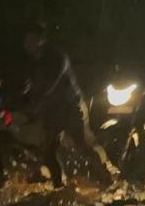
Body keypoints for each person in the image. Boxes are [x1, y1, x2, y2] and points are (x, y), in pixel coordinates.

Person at [21, 23, 115, 187]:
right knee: (48, 151)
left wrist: (34, 105)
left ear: (41, 40)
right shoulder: (32, 61)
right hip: (51, 110)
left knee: (83, 145)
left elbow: (51, 84)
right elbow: (31, 86)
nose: (28, 44)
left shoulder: (57, 57)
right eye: (26, 41)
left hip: (70, 107)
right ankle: (59, 185)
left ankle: (107, 177)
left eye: (32, 40)